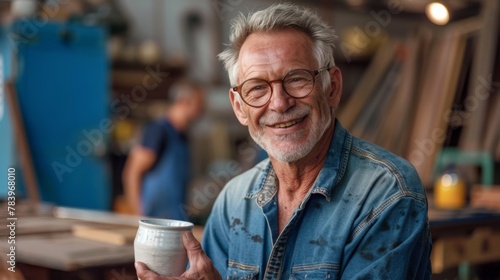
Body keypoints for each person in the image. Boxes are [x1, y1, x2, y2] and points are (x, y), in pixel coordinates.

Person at [135, 3, 432, 279]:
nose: (279, 103)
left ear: (333, 88)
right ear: (239, 107)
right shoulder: (233, 202)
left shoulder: (386, 194)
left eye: (297, 79)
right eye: (257, 88)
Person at [122, 79, 205, 220]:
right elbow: (132, 173)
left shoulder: (183, 137)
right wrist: (138, 216)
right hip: (153, 219)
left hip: (175, 218)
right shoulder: (158, 132)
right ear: (184, 102)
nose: (203, 109)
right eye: (200, 104)